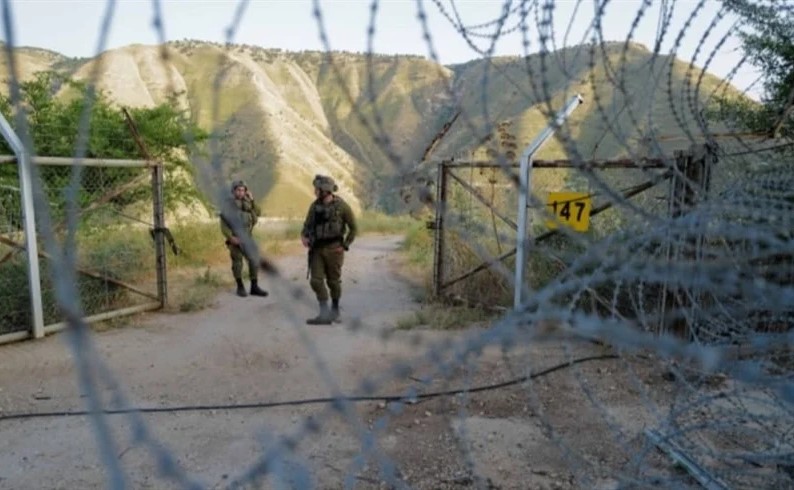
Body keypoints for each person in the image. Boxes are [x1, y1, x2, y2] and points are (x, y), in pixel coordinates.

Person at [301, 174, 357, 324]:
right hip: (317, 250)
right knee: (316, 281)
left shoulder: (342, 207)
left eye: (317, 189)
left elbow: (353, 228)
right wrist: (304, 236)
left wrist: (344, 245)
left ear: (325, 190)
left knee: (333, 282)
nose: (315, 191)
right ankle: (324, 313)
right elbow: (307, 225)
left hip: (334, 250)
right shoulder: (314, 206)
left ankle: (335, 310)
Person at [220, 180, 269, 298]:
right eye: (238, 190)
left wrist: (252, 200)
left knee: (253, 260)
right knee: (237, 263)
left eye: (243, 190)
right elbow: (223, 223)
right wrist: (230, 237)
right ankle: (240, 286)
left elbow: (258, 212)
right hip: (235, 238)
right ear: (233, 191)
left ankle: (254, 286)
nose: (241, 192)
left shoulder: (248, 202)